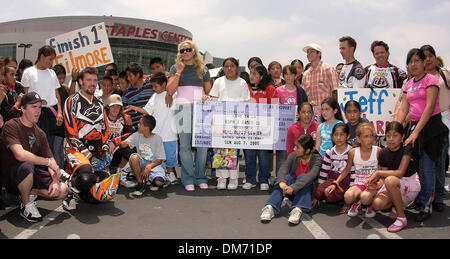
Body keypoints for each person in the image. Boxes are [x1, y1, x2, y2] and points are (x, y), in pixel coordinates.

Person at [395, 48, 447, 222]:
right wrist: (397, 129)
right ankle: (421, 199)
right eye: (410, 61)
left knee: (427, 167)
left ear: (424, 62)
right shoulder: (409, 83)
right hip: (414, 127)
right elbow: (404, 108)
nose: (414, 64)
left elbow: (429, 107)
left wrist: (415, 133)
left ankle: (426, 204)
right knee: (417, 169)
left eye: (417, 60)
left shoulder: (430, 79)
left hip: (431, 128)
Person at [1, 92, 68, 222]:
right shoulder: (11, 125)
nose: (38, 111)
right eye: (33, 107)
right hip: (9, 187)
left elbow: (51, 160)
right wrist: (47, 162)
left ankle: (32, 193)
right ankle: (26, 205)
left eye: (39, 107)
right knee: (28, 165)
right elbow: (20, 155)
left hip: (28, 178)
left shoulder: (40, 133)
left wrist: (54, 180)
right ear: (23, 108)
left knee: (63, 190)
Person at [62, 67, 117, 210]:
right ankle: (69, 189)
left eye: (94, 80)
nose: (92, 84)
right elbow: (71, 135)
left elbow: (105, 131)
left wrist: (105, 151)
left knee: (100, 195)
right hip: (76, 149)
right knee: (86, 177)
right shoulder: (71, 101)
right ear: (80, 81)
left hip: (96, 148)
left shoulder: (99, 104)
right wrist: (90, 157)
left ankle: (82, 191)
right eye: (88, 80)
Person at [166, 40, 211, 191]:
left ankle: (200, 177)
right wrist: (179, 70)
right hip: (182, 109)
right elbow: (170, 90)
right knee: (184, 147)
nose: (185, 52)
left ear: (194, 51)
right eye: (182, 50)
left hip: (201, 111)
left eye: (188, 49)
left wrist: (206, 96)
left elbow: (209, 92)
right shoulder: (174, 68)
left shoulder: (203, 69)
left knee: (202, 146)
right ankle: (188, 178)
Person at [201, 57, 250, 190]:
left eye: (232, 66)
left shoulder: (242, 83)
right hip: (220, 122)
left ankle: (233, 179)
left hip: (236, 123)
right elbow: (214, 99)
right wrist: (207, 98)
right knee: (219, 150)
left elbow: (246, 103)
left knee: (233, 151)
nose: (229, 69)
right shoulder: (218, 81)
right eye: (226, 66)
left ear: (237, 67)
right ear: (223, 68)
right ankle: (221, 178)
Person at [368, 122, 420, 232]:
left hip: (410, 183)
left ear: (402, 137)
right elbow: (383, 179)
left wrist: (378, 173)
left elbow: (400, 173)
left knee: (390, 180)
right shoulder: (383, 153)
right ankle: (397, 206)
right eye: (388, 135)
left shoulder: (407, 148)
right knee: (377, 204)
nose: (391, 139)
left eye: (395, 135)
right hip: (394, 185)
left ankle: (401, 217)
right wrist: (374, 185)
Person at [260, 134, 322, 225]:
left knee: (303, 176)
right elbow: (283, 168)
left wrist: (293, 187)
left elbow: (310, 177)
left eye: (297, 147)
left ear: (307, 150)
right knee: (286, 177)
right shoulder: (293, 155)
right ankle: (270, 207)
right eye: (294, 146)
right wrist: (282, 182)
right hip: (290, 190)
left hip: (306, 191)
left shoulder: (317, 159)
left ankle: (297, 209)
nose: (294, 149)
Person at [325, 123, 381, 218]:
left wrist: (377, 184)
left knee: (365, 197)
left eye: (371, 136)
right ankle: (357, 202)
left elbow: (381, 171)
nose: (369, 139)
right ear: (358, 139)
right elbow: (346, 170)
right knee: (348, 196)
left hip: (373, 184)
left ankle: (369, 204)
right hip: (359, 184)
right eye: (366, 136)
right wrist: (336, 183)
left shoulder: (378, 151)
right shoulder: (353, 152)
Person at [21, 45, 64, 166]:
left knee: (53, 147)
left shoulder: (52, 73)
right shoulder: (29, 72)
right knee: (36, 146)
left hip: (52, 112)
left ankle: (56, 174)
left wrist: (59, 112)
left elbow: (57, 94)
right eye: (50, 59)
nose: (51, 62)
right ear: (41, 56)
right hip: (36, 114)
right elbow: (26, 95)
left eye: (53, 60)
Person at [420, 44, 450, 213]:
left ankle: (438, 197)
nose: (428, 59)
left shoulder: (444, 74)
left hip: (444, 122)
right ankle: (425, 197)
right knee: (425, 165)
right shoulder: (418, 77)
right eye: (424, 57)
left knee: (439, 163)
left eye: (431, 55)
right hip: (425, 123)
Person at [243, 64, 277, 191]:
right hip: (248, 128)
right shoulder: (245, 87)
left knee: (263, 156)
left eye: (255, 74)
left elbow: (274, 107)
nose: (252, 76)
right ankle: (250, 179)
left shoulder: (269, 88)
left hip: (264, 129)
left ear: (262, 76)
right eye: (251, 73)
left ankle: (263, 179)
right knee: (249, 155)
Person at [142, 72, 179, 185]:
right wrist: (134, 108)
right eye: (152, 86)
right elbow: (147, 111)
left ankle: (170, 173)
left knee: (170, 156)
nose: (154, 89)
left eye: (155, 86)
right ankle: (159, 174)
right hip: (157, 133)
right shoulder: (154, 96)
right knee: (157, 157)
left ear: (164, 84)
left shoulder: (174, 94)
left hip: (170, 134)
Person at [120, 115, 166, 196]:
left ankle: (151, 179)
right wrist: (123, 144)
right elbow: (126, 143)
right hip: (142, 163)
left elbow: (160, 160)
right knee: (134, 157)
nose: (138, 125)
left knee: (159, 182)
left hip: (154, 164)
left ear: (146, 127)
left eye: (140, 124)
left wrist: (148, 167)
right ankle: (140, 183)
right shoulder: (137, 135)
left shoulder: (157, 139)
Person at [313, 123, 354, 213]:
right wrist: (319, 192)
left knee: (330, 197)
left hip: (345, 180)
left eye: (342, 135)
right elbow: (324, 171)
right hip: (332, 179)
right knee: (318, 193)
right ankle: (331, 195)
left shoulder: (351, 152)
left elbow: (354, 173)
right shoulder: (330, 152)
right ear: (332, 136)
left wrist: (350, 195)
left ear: (348, 136)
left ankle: (343, 198)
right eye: (336, 135)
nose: (338, 138)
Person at [276, 65, 308, 173]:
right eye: (286, 74)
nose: (288, 76)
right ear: (283, 76)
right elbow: (273, 109)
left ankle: (295, 179)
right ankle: (279, 179)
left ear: (295, 76)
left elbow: (305, 107)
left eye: (291, 74)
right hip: (282, 129)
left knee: (299, 153)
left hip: (297, 128)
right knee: (283, 154)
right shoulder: (278, 90)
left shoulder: (300, 91)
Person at [104, 94, 135, 187]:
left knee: (129, 147)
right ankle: (104, 176)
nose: (115, 109)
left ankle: (122, 174)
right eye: (113, 106)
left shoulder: (124, 119)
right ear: (108, 107)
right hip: (103, 149)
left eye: (118, 106)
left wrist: (114, 141)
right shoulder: (101, 118)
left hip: (117, 150)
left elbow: (130, 135)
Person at [122, 62, 155, 129]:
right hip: (137, 130)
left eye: (130, 76)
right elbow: (122, 110)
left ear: (138, 75)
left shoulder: (151, 84)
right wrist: (126, 116)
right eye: (127, 76)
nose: (128, 78)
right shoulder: (127, 93)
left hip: (154, 128)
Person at [51, 64, 70, 169]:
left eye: (63, 78)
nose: (61, 80)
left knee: (58, 150)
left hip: (60, 127)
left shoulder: (63, 90)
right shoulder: (50, 89)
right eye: (59, 78)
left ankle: (60, 172)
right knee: (51, 150)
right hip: (50, 126)